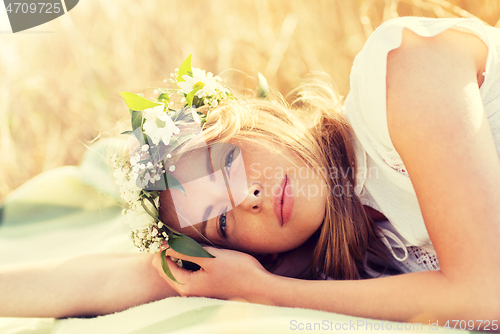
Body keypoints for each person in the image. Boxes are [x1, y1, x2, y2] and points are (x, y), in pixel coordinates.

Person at [1, 16, 499, 327]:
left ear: (256, 119)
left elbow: (484, 301)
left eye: (228, 164)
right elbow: (113, 279)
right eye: (222, 222)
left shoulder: (401, 75)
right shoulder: (328, 251)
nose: (249, 199)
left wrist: (262, 290)